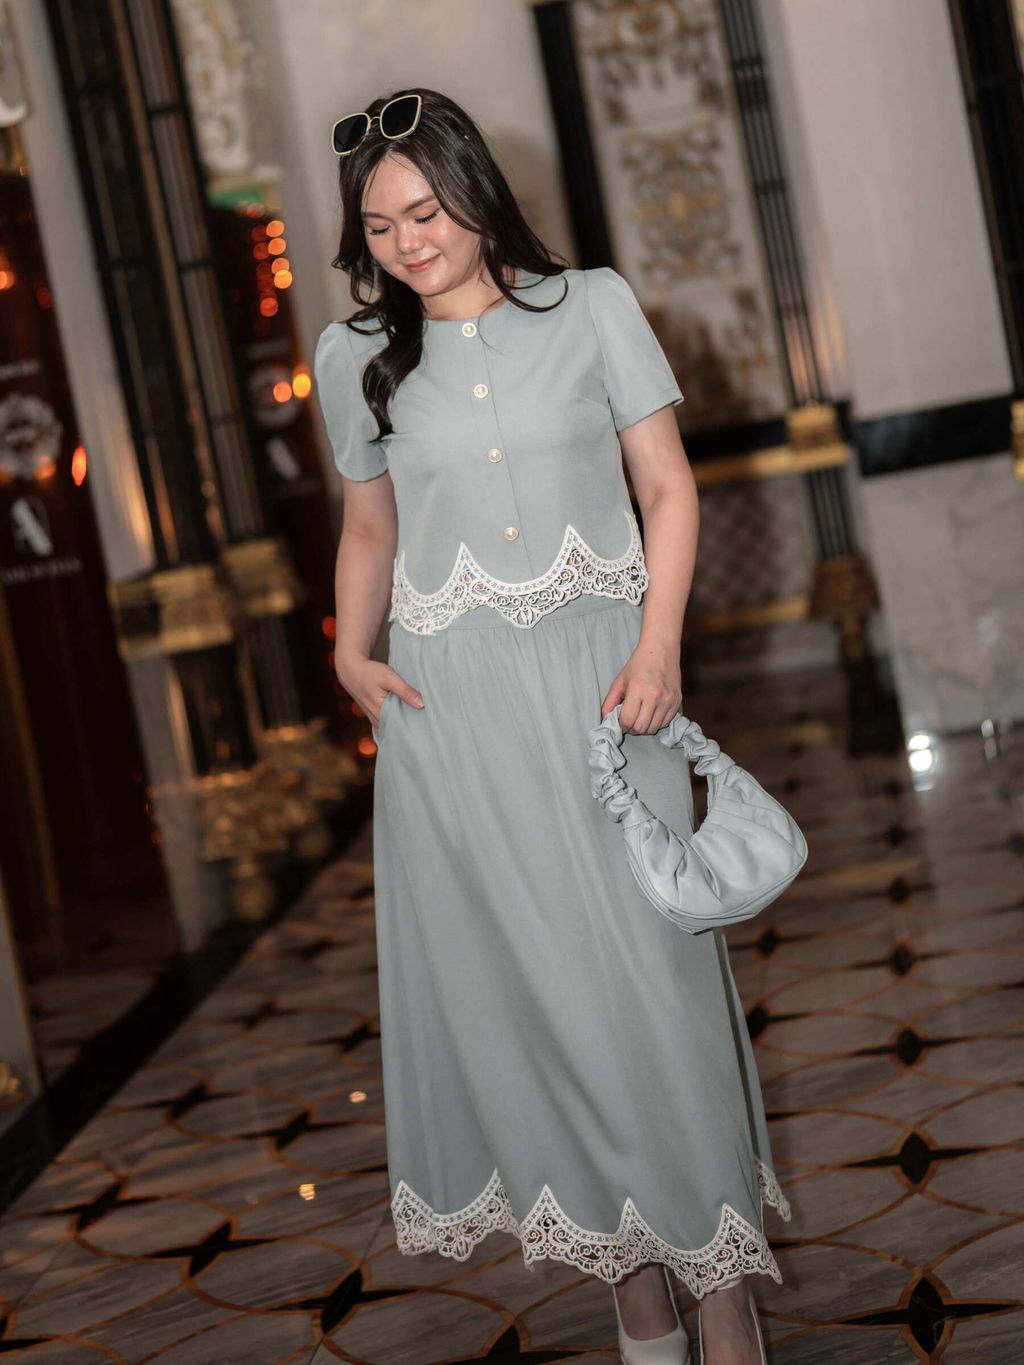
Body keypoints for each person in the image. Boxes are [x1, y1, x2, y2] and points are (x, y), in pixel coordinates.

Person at [314, 86, 791, 1365]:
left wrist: (658, 643)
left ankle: (727, 1305)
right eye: (382, 223)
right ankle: (640, 1314)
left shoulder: (591, 309)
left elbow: (668, 488)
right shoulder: (348, 355)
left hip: (603, 692)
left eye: (427, 208)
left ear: (475, 190)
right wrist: (349, 655)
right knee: (540, 1008)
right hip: (451, 720)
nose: (410, 239)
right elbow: (369, 531)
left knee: (655, 987)